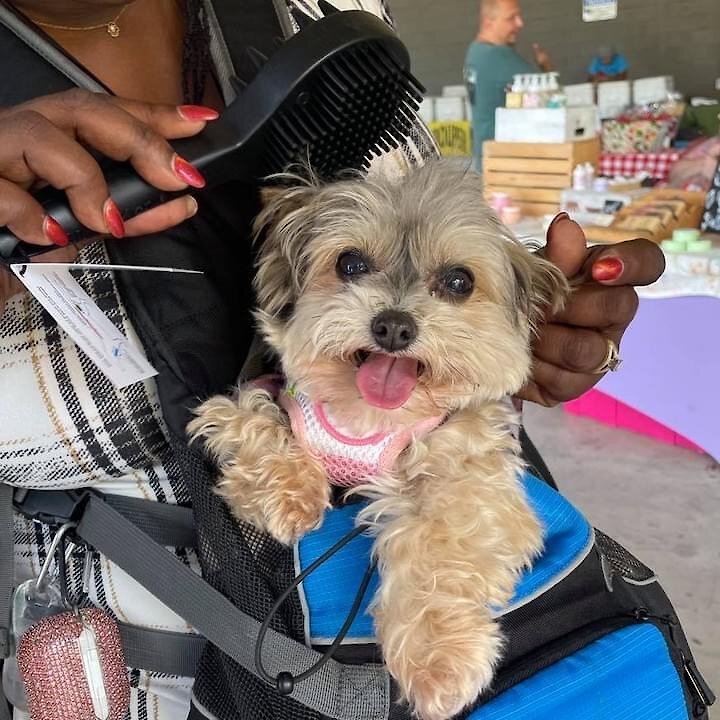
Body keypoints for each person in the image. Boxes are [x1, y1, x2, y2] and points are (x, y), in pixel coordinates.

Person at [0, 1, 664, 718]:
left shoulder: (326, 10)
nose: (398, 314)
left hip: (488, 651)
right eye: (353, 264)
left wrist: (506, 345)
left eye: (455, 283)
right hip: (124, 663)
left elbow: (431, 242)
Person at [464, 0, 552, 168]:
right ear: (489, 23)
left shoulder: (474, 52)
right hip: (508, 166)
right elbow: (551, 96)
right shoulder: (498, 57)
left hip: (487, 160)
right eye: (511, 18)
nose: (520, 23)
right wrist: (546, 66)